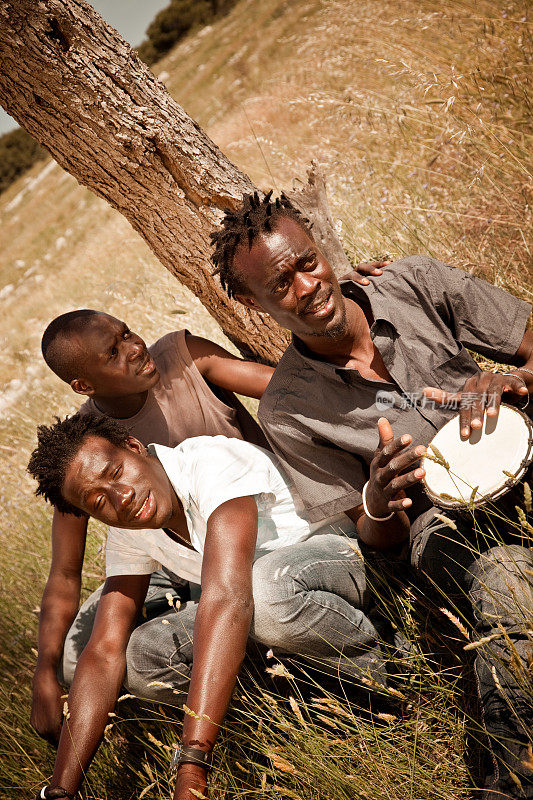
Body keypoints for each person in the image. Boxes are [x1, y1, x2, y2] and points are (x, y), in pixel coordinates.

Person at [210, 191, 533, 799]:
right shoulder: (287, 409)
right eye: (282, 285)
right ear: (252, 303)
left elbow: (529, 345)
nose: (308, 287)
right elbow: (375, 541)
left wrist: (511, 382)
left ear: (320, 248)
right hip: (443, 527)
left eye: (308, 262)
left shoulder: (410, 282)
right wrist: (381, 497)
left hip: (522, 439)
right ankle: (512, 776)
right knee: (506, 587)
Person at [27, 413, 366, 800]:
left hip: (336, 560)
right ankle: (300, 713)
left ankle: (383, 677)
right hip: (266, 606)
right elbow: (104, 651)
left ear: (135, 448)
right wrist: (60, 788)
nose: (121, 497)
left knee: (267, 593)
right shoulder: (129, 531)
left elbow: (227, 599)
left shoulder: (209, 462)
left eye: (118, 471)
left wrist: (191, 766)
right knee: (142, 657)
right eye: (99, 501)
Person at [31, 308, 272, 747]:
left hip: (256, 531)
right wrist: (44, 672)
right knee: (75, 657)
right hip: (176, 557)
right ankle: (239, 697)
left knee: (244, 599)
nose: (134, 347)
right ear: (84, 386)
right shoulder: (89, 447)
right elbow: (65, 574)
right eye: (113, 352)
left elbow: (287, 389)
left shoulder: (183, 360)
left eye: (127, 333)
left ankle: (237, 672)